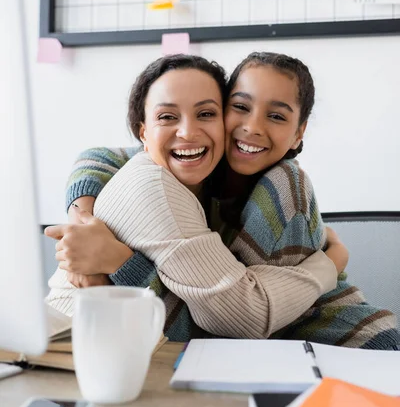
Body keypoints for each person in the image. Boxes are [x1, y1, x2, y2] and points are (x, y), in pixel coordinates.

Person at [46, 53, 400, 348]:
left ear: (298, 133)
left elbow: (251, 319)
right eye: (240, 107)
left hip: (322, 331)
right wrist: (83, 221)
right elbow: (100, 157)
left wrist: (332, 262)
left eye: (276, 116)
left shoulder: (283, 188)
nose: (252, 127)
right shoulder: (197, 166)